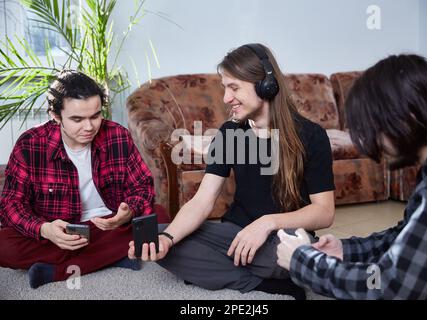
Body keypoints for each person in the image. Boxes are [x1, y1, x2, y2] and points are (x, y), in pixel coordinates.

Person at [128, 43, 335, 299]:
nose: (226, 98)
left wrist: (266, 223)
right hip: (234, 234)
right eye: (225, 88)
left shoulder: (312, 136)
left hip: (284, 237)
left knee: (297, 249)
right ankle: (263, 281)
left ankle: (234, 270)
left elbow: (324, 213)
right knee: (157, 237)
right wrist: (168, 239)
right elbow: (202, 201)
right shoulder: (230, 133)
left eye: (234, 87)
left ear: (265, 85)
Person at [276, 54, 427, 299]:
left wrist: (302, 261)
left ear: (408, 116)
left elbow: (390, 286)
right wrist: (345, 251)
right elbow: (407, 237)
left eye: (373, 127)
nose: (370, 144)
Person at [0, 70, 155, 288]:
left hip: (107, 225)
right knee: (4, 246)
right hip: (58, 231)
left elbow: (143, 187)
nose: (89, 127)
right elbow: (10, 205)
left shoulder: (117, 135)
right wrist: (44, 229)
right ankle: (115, 255)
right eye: (77, 119)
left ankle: (55, 271)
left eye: (95, 116)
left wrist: (128, 210)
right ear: (55, 116)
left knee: (161, 219)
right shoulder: (30, 144)